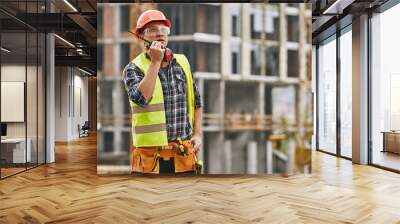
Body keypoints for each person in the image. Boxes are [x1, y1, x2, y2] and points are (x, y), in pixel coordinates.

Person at [122, 10, 203, 174]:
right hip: (151, 159)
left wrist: (198, 134)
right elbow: (141, 98)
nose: (159, 33)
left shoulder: (182, 62)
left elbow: (197, 101)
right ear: (141, 37)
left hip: (183, 155)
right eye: (152, 29)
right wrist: (155, 62)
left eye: (163, 29)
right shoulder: (133, 68)